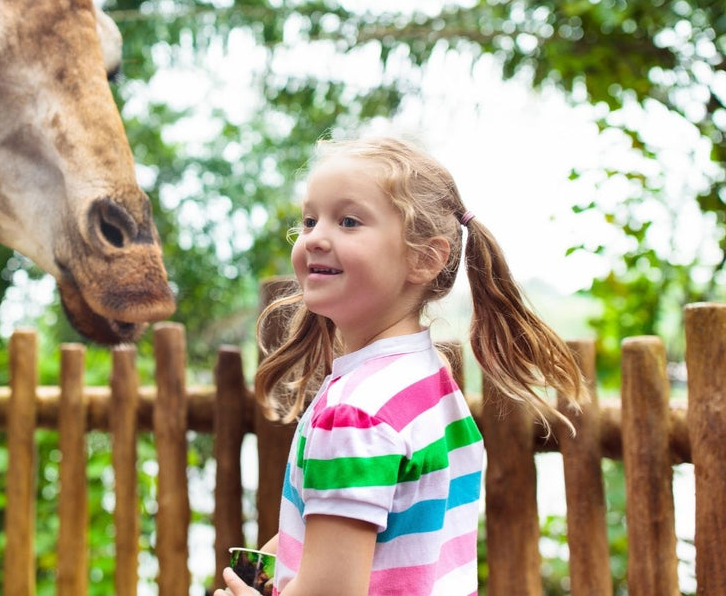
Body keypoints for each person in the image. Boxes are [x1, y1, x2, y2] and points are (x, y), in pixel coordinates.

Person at [215, 135, 586, 595]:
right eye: (309, 220)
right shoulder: (427, 382)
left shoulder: (354, 416)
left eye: (348, 222)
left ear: (425, 259)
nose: (315, 238)